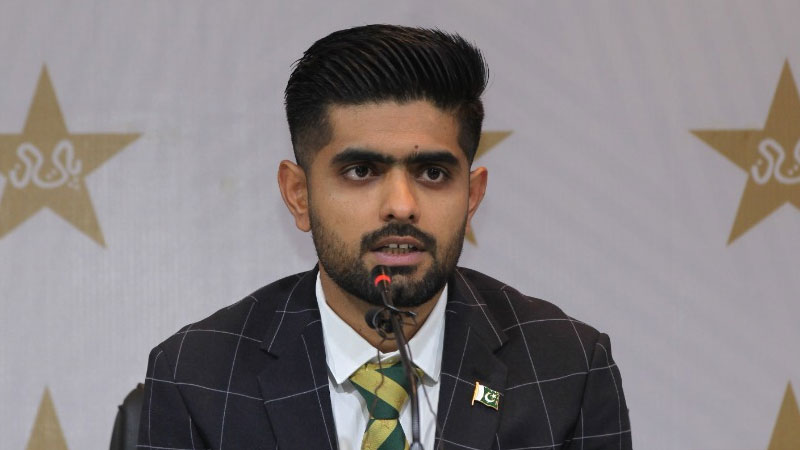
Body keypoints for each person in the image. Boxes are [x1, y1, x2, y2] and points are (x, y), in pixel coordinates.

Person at [138, 24, 632, 450]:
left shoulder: (565, 367)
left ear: (472, 196)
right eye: (361, 171)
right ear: (299, 195)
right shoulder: (199, 376)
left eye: (433, 173)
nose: (401, 205)